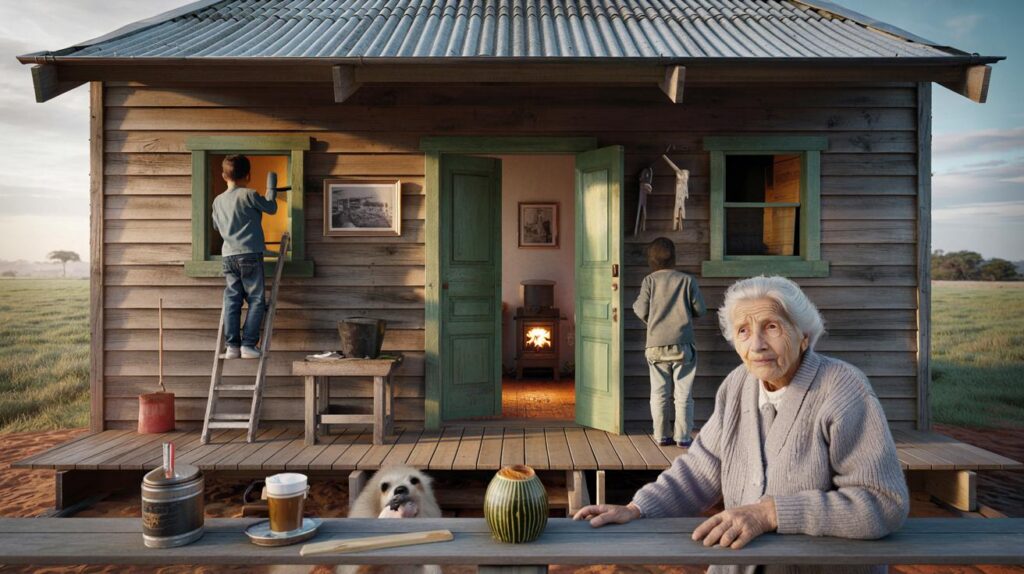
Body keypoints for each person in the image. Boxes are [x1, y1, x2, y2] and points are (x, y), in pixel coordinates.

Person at [577, 276, 909, 573]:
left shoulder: (843, 388)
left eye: (772, 327)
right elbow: (698, 470)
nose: (757, 345)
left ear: (804, 335)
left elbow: (883, 503)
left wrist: (770, 514)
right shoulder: (737, 384)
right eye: (744, 331)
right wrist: (638, 509)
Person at [632, 237, 706, 447]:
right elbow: (700, 309)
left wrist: (652, 321)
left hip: (655, 344)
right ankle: (683, 437)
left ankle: (661, 436)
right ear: (674, 258)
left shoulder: (649, 281)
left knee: (659, 393)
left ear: (651, 260)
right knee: (683, 394)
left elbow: (639, 309)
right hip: (683, 343)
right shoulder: (687, 280)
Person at [211, 155, 278, 359]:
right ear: (248, 175)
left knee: (233, 301)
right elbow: (271, 208)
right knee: (256, 299)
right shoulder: (250, 194)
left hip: (228, 256)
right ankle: (248, 344)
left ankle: (232, 346)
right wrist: (271, 189)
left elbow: (216, 226)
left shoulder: (218, 200)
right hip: (249, 254)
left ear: (224, 176)